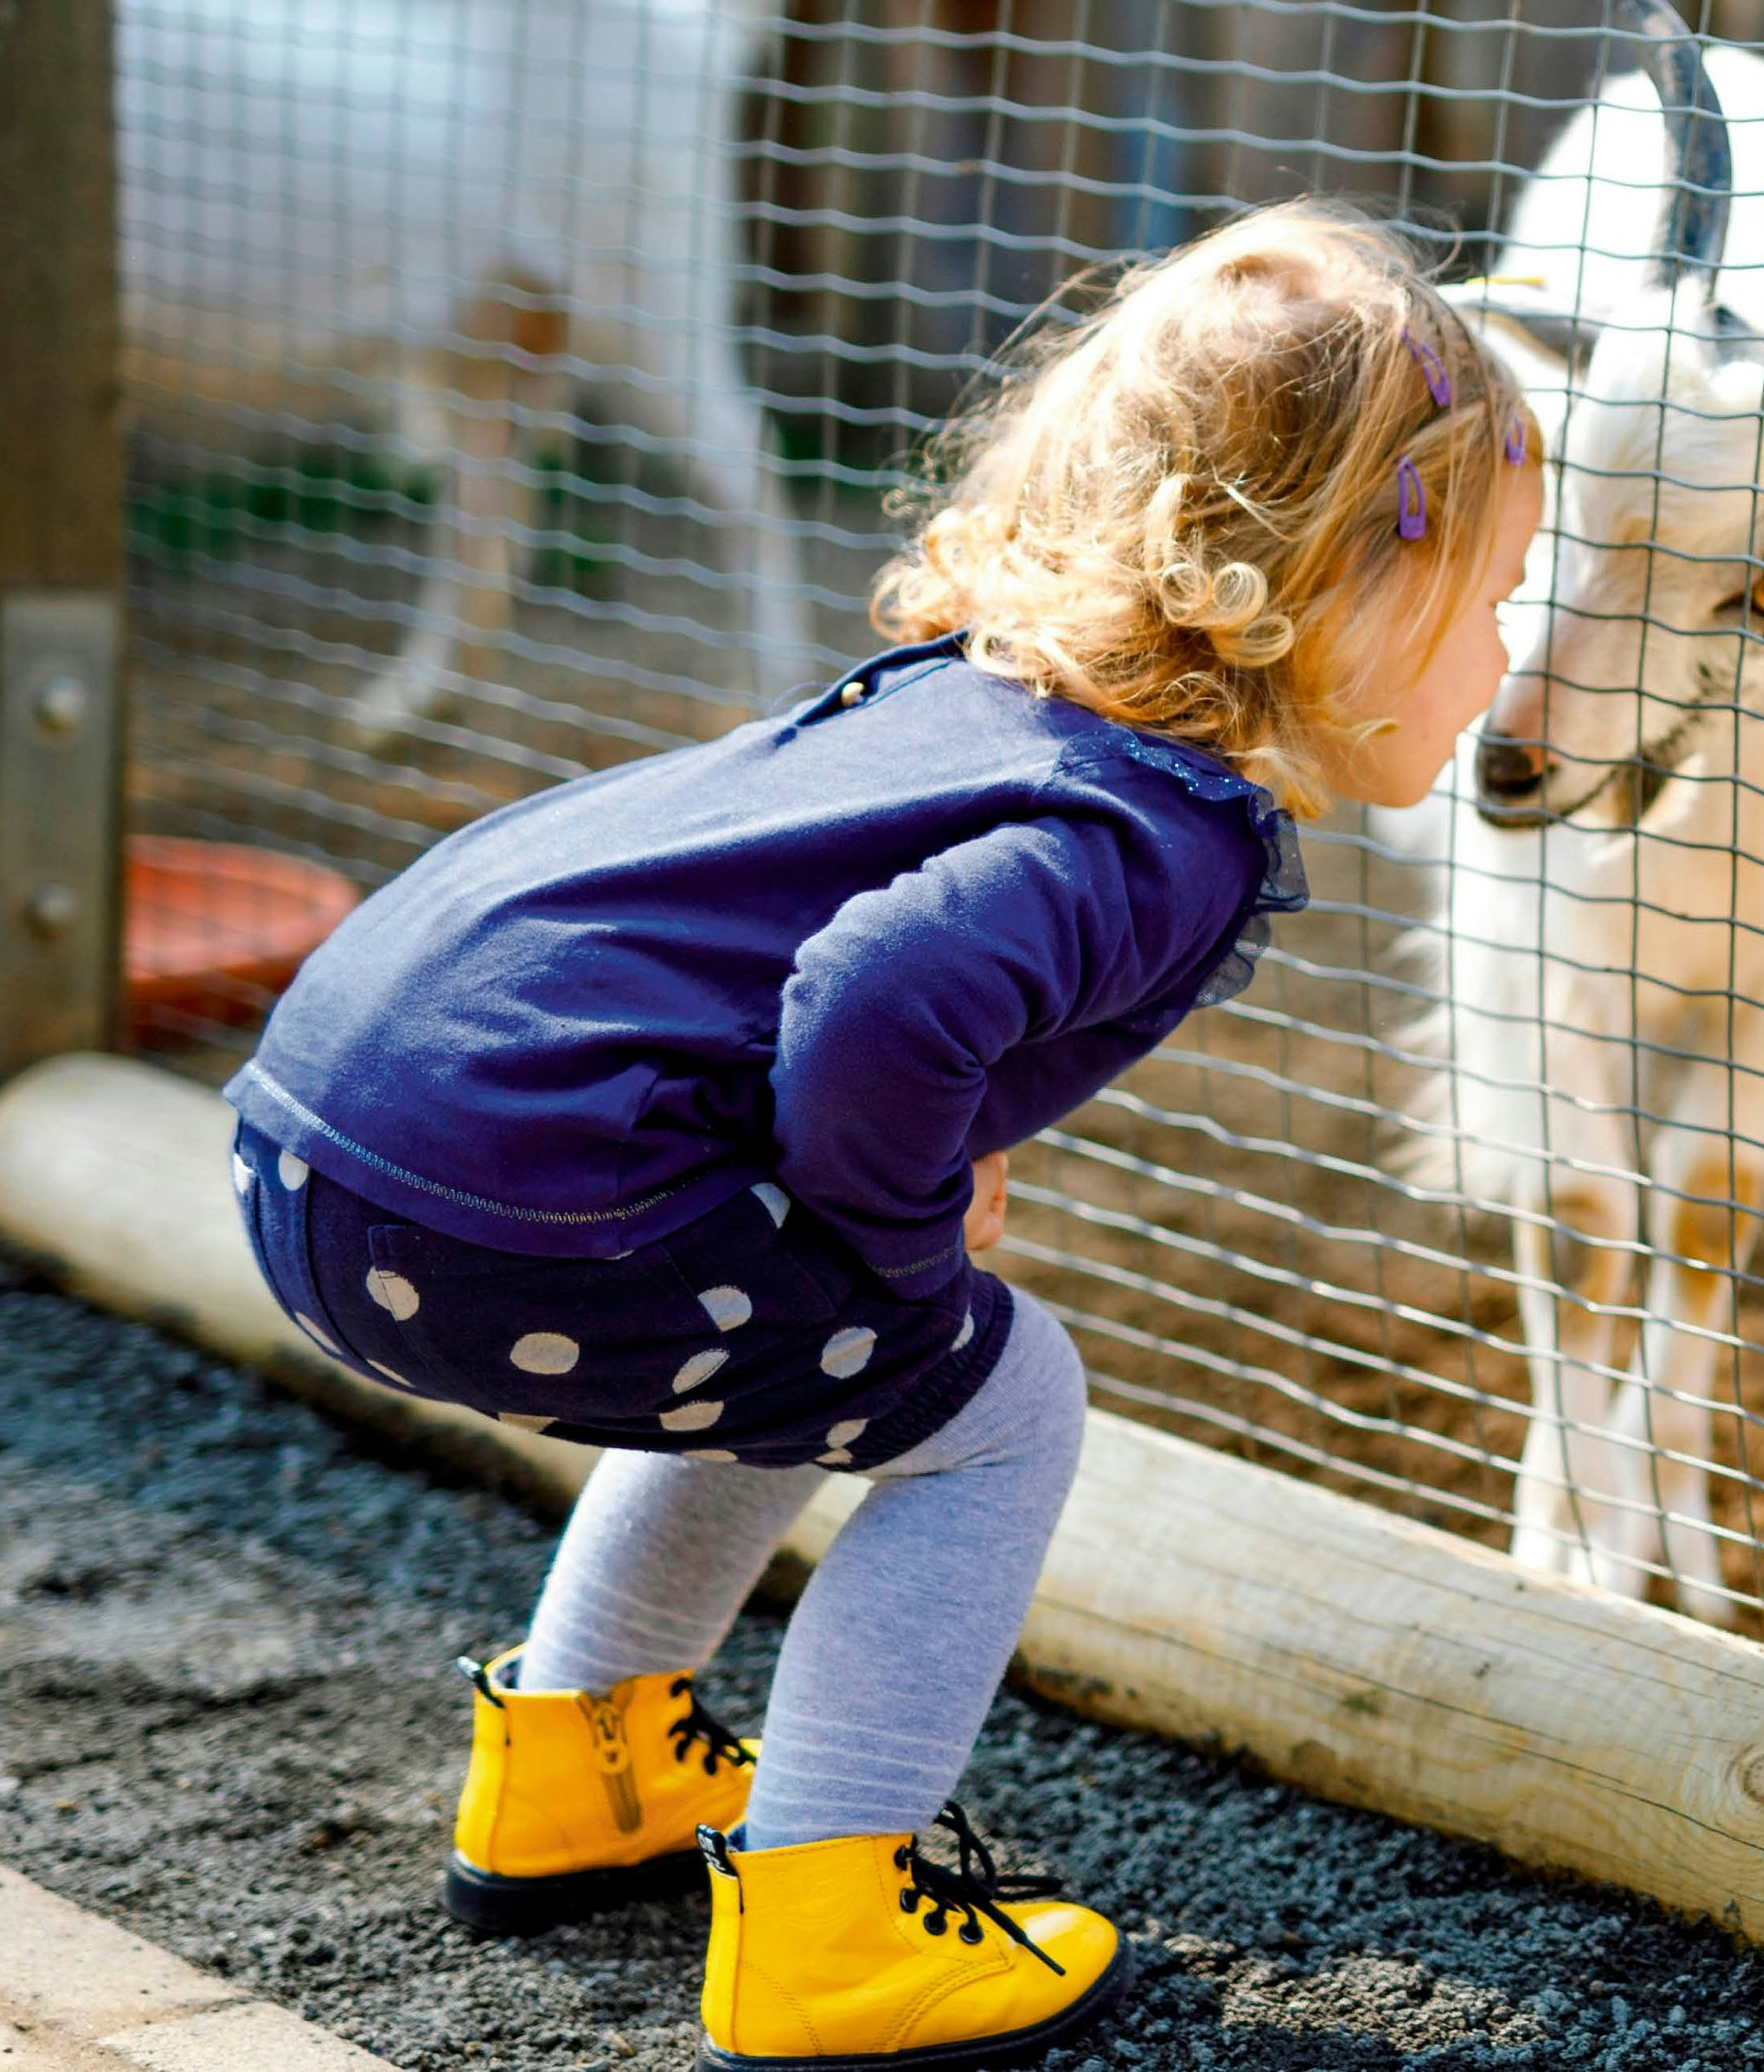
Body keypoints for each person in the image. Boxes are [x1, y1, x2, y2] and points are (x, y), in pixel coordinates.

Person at [221, 203, 1541, 2070]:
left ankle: (576, 1772)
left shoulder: (971, 702)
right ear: (1346, 581)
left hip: (325, 1142)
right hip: (526, 1205)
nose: (1508, 649)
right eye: (1491, 597)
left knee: (826, 1351)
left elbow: (804, 981)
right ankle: (833, 1918)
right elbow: (886, 998)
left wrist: (878, 1205)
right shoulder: (1152, 827)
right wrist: (904, 1238)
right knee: (996, 1401)